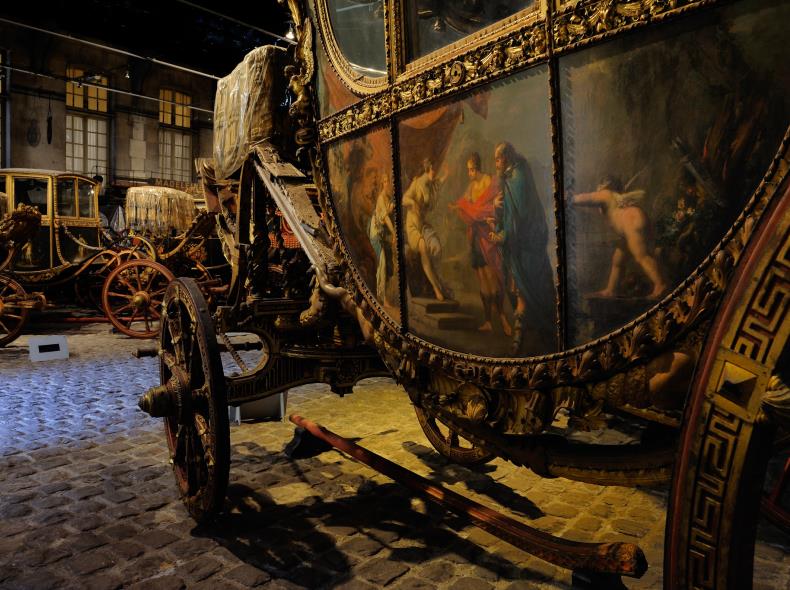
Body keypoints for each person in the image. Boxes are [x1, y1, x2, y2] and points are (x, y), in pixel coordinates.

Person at [489, 142, 555, 354]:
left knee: (526, 294)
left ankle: (521, 342)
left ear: (506, 157)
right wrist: (497, 207)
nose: (496, 163)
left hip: (527, 247)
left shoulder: (518, 178)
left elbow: (520, 217)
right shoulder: (512, 176)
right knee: (522, 294)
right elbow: (509, 209)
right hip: (520, 246)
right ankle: (526, 340)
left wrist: (502, 236)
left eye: (497, 159)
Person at [571, 175, 667, 299]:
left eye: (599, 185)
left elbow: (587, 198)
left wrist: (570, 198)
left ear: (605, 184)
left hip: (630, 221)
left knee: (641, 256)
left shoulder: (606, 193)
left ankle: (660, 284)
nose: (597, 188)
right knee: (618, 260)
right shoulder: (615, 198)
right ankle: (610, 290)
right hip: (631, 221)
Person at [450, 152, 511, 335]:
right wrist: (461, 207)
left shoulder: (489, 182)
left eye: (471, 170)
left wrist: (475, 210)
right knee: (482, 280)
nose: (469, 173)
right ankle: (488, 322)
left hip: (488, 237)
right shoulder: (471, 186)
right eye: (468, 170)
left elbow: (490, 210)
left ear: (477, 167)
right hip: (476, 238)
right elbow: (466, 206)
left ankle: (502, 318)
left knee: (494, 280)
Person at [402, 158, 447, 301]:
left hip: (423, 225)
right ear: (428, 169)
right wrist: (413, 202)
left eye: (436, 170)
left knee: (437, 248)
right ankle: (436, 288)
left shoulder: (432, 184)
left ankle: (438, 280)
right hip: (412, 227)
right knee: (423, 247)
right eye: (434, 170)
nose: (435, 172)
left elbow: (439, 182)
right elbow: (404, 199)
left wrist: (446, 175)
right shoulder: (417, 183)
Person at [368, 172, 396, 307]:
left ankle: (385, 296)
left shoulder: (389, 198)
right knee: (383, 262)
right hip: (376, 234)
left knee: (389, 264)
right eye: (385, 181)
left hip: (383, 234)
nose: (387, 184)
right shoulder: (381, 198)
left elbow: (389, 217)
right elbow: (384, 219)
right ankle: (382, 298)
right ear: (382, 184)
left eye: (388, 181)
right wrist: (394, 233)